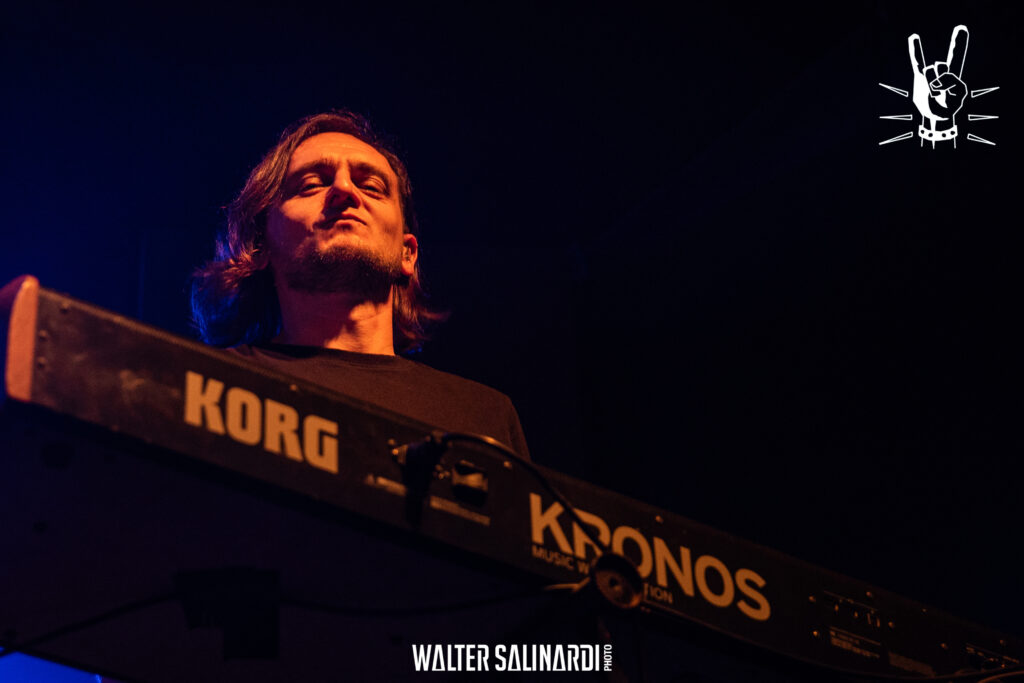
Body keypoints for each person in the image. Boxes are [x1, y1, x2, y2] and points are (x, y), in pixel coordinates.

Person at [190, 110, 529, 458]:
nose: (344, 189)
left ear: (407, 253)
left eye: (372, 187)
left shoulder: (484, 418)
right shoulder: (211, 384)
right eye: (312, 184)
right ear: (260, 245)